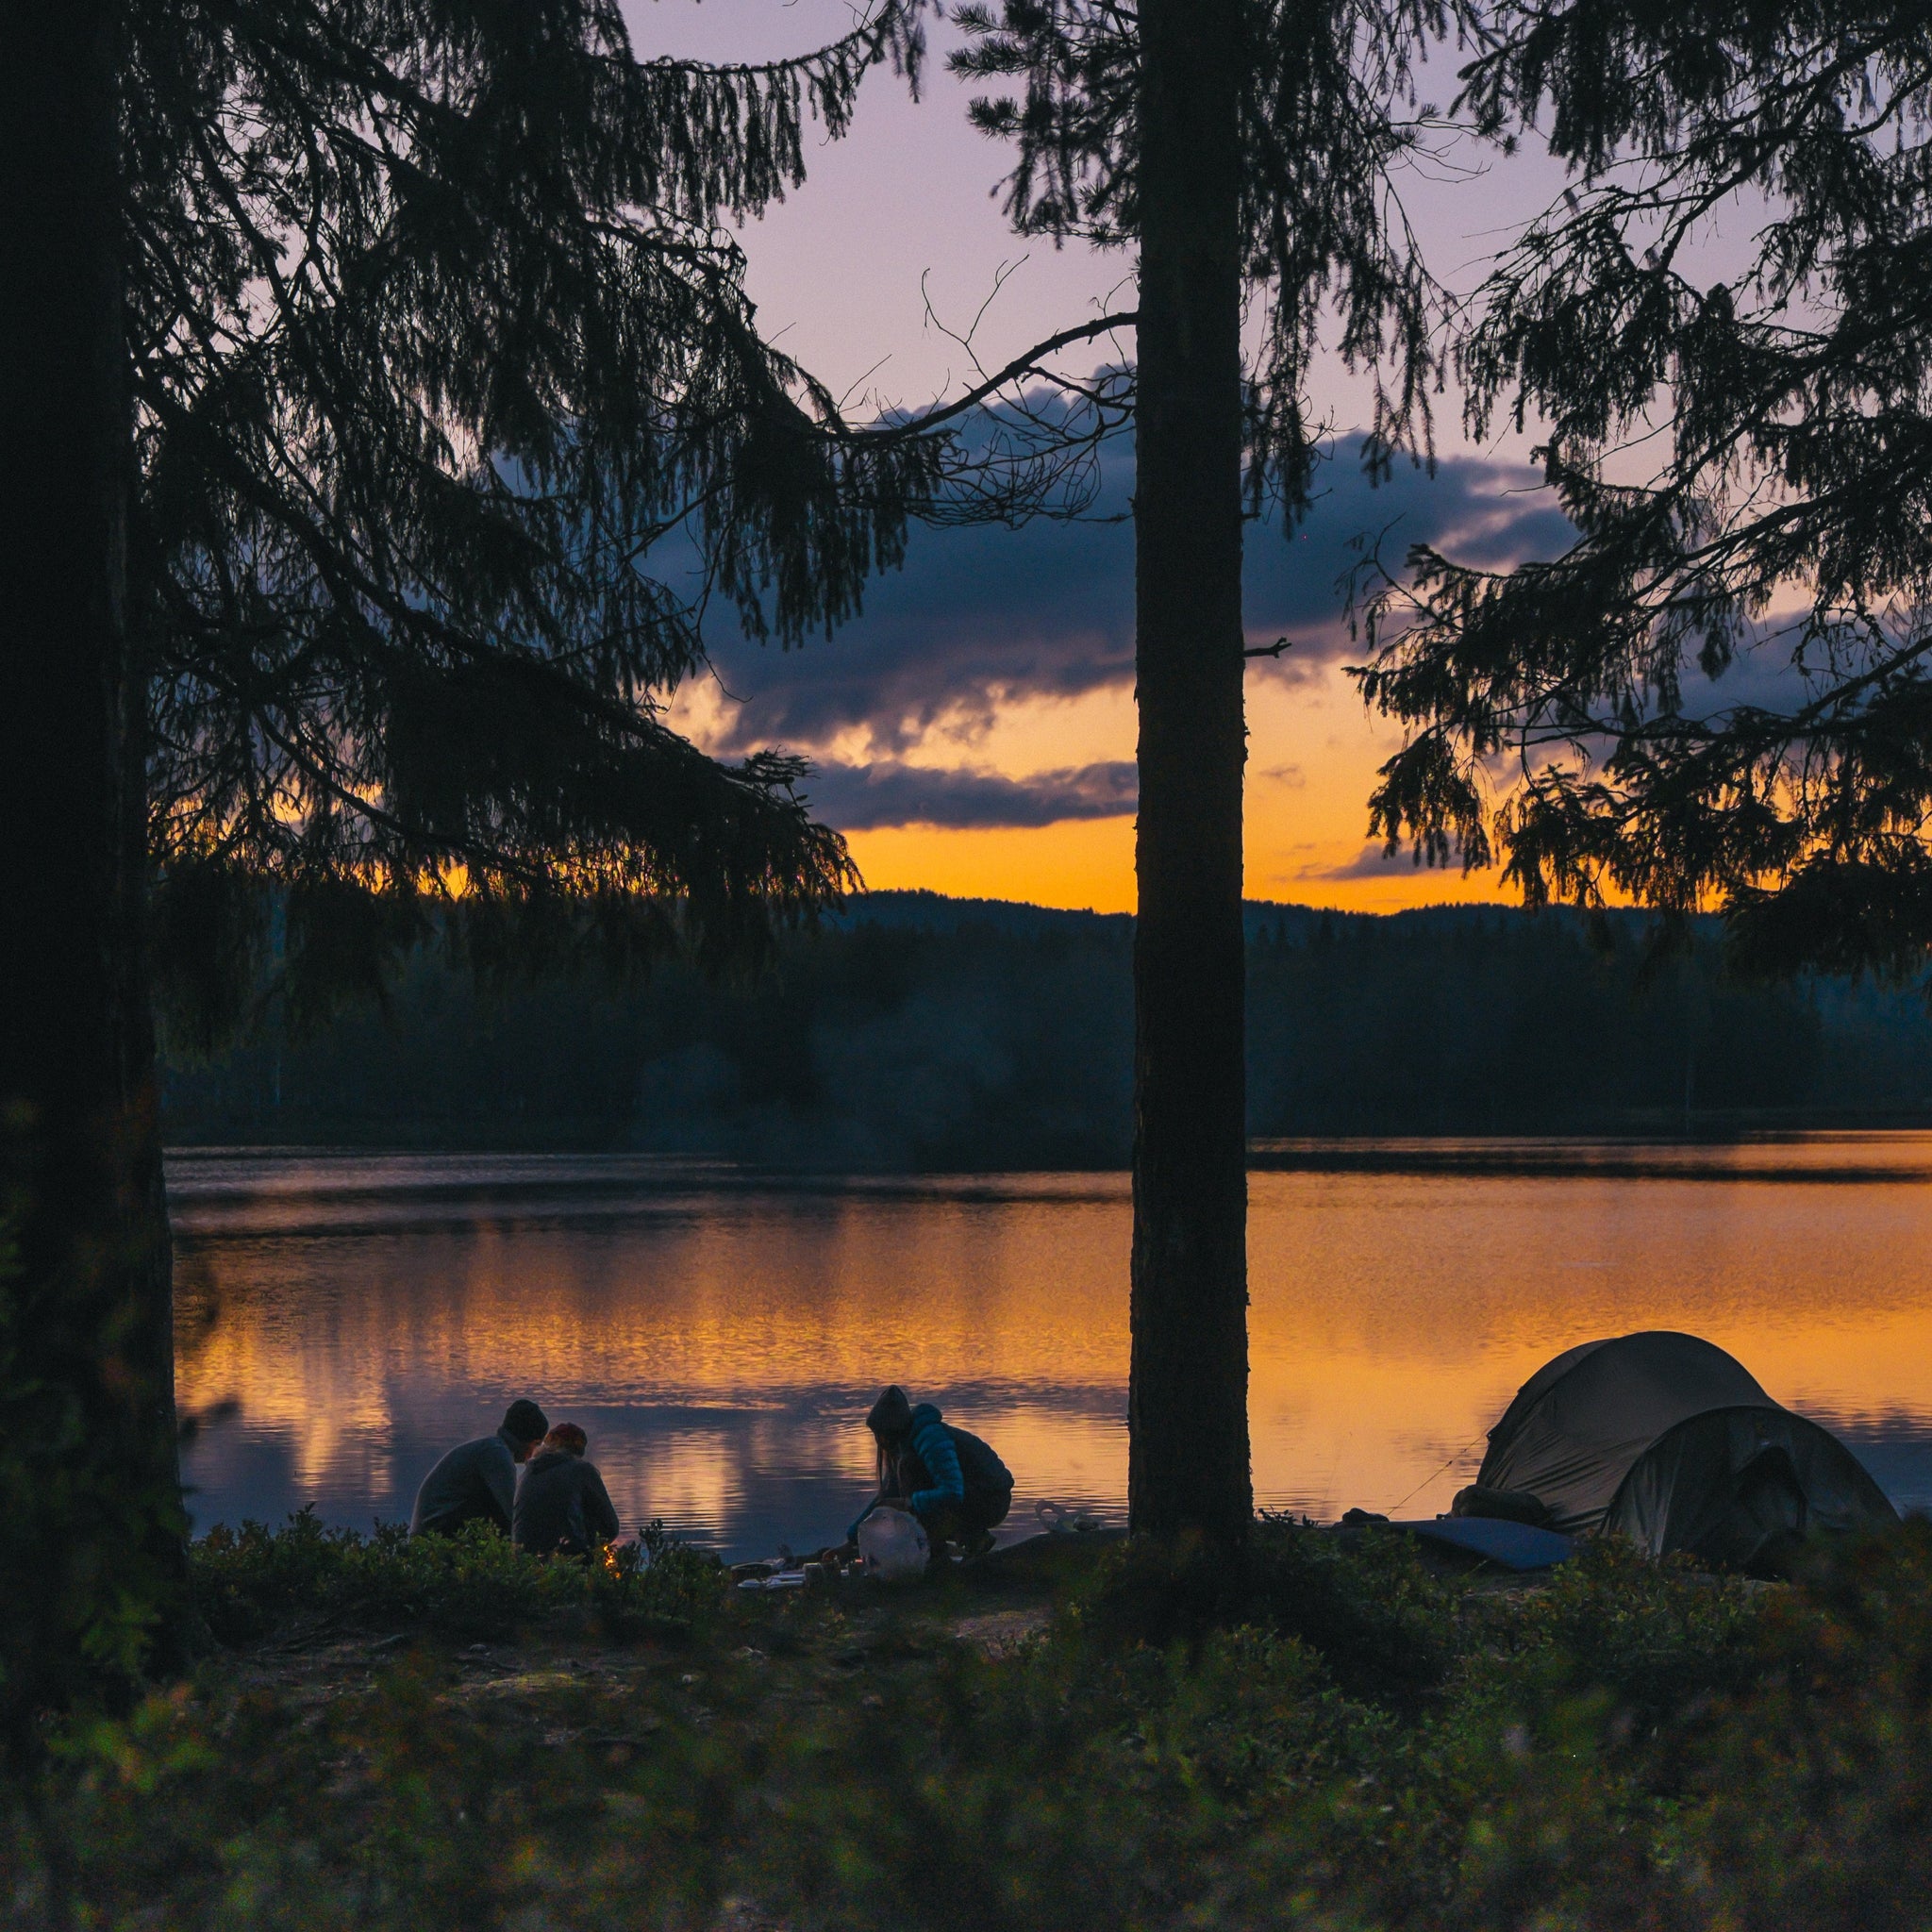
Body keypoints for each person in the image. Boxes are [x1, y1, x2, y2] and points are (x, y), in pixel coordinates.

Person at [847, 1385, 1013, 1559]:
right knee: (908, 1492)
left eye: (880, 1435)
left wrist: (909, 1504)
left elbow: (952, 1492)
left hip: (992, 1500)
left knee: (911, 1476)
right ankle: (973, 1537)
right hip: (975, 1497)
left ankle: (942, 1550)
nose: (879, 1442)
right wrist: (853, 1538)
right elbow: (887, 1495)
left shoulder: (930, 1439)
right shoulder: (906, 1444)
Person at [408, 1399, 548, 1537]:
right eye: (536, 1444)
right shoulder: (496, 1454)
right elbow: (514, 1513)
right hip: (436, 1538)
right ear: (524, 1439)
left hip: (434, 1532)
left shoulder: (491, 1448)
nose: (533, 1455)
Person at [513, 1422, 622, 1557]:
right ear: (578, 1451)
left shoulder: (528, 1472)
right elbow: (611, 1527)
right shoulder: (582, 1470)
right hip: (565, 1562)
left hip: (523, 1562)